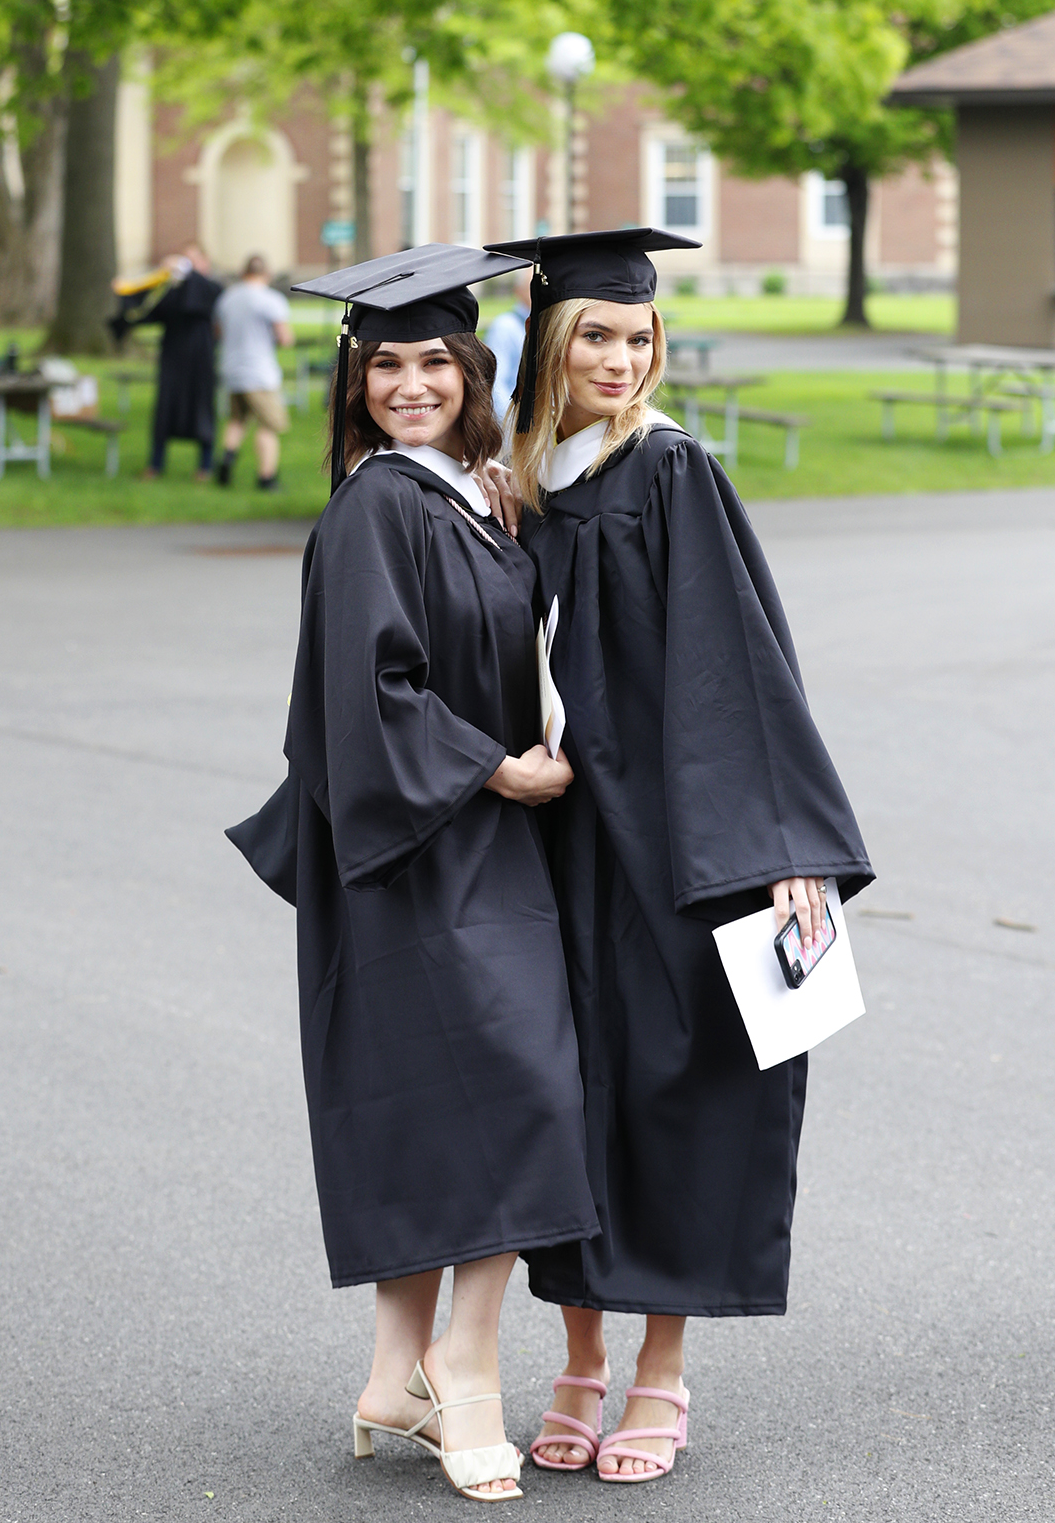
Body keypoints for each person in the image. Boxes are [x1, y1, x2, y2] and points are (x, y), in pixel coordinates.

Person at [484, 228, 874, 1484]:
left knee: (675, 1083)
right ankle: (577, 1357)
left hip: (668, 840)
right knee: (562, 1094)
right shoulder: (515, 485)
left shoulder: (669, 471)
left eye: (637, 336)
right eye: (593, 335)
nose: (618, 358)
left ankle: (660, 1369)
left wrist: (782, 844)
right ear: (548, 341)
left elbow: (740, 665)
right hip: (548, 840)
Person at [225, 245, 600, 1505]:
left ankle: (396, 1374)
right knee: (520, 1089)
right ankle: (468, 1369)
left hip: (457, 842)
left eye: (434, 361)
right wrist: (497, 769)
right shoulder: (379, 506)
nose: (409, 385)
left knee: (448, 1103)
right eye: (384, 365)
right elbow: (370, 692)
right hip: (428, 842)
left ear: (471, 371)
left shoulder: (458, 493)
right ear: (356, 382)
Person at [136, 244, 222, 479]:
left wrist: (189, 273)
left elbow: (207, 300)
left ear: (205, 263)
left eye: (193, 261)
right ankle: (156, 464)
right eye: (184, 260)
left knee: (202, 410)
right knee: (165, 410)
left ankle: (205, 466)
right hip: (173, 358)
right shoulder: (172, 289)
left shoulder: (211, 287)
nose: (186, 266)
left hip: (201, 359)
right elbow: (148, 312)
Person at [213, 255, 294, 490]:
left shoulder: (227, 298)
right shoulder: (270, 299)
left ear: (243, 272)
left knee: (237, 419)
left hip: (231, 368)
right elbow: (285, 337)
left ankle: (226, 462)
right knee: (268, 424)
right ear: (266, 274)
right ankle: (266, 477)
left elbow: (218, 332)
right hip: (259, 373)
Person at [483, 269, 530, 423]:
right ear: (518, 291)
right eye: (532, 287)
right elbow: (496, 385)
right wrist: (513, 426)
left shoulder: (548, 325)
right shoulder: (505, 327)